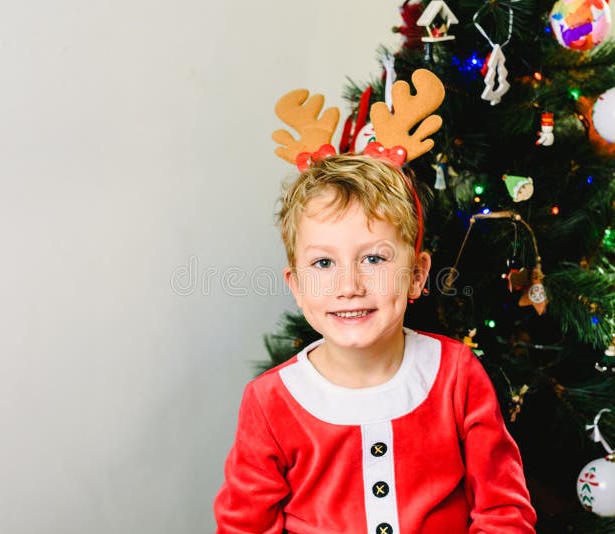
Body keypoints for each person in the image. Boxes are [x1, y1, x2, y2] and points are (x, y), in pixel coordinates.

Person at [214, 154, 537, 533]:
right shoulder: (269, 402)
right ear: (297, 287)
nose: (349, 286)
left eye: (373, 258)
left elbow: (503, 511)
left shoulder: (456, 373)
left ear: (416, 275)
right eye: (323, 264)